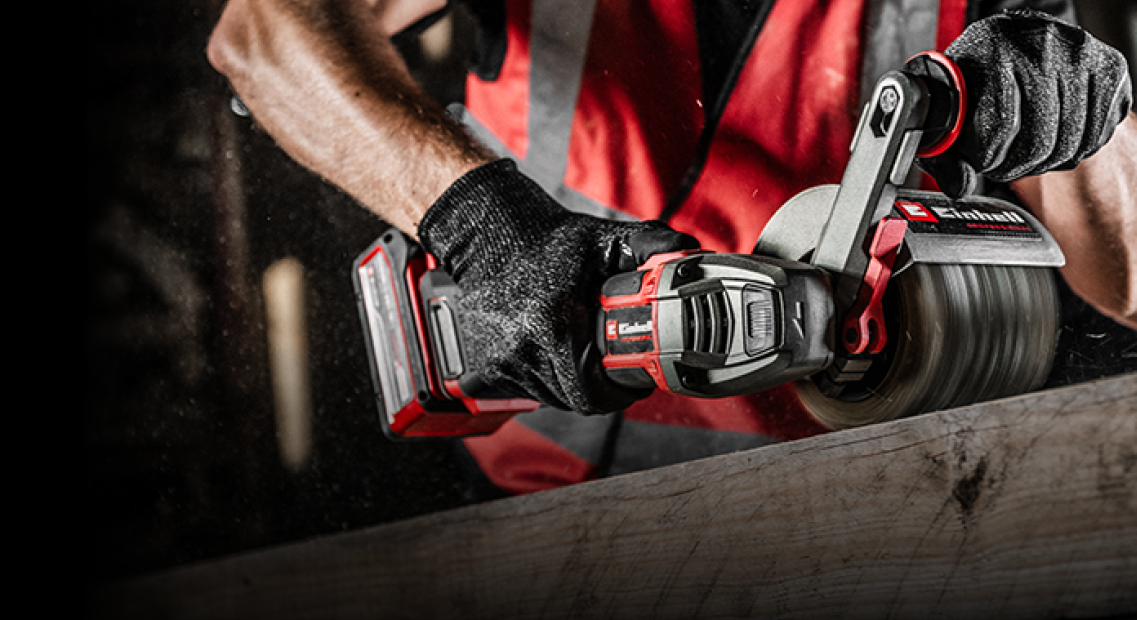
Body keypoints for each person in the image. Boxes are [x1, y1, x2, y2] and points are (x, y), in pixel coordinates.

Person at [208, 0, 1135, 495]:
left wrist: (1083, 118)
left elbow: (1126, 278)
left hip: (831, 509)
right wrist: (479, 223)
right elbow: (263, 31)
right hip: (526, 494)